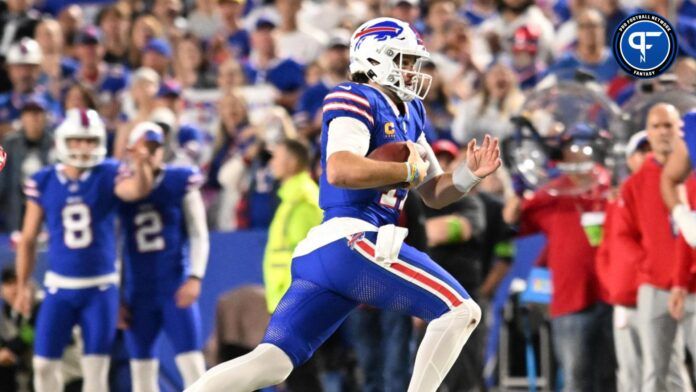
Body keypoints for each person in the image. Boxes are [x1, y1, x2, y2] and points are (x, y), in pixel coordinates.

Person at [186, 17, 501, 392]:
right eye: (402, 59)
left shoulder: (410, 111)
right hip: (352, 239)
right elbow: (338, 169)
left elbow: (434, 192)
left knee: (272, 362)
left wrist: (470, 175)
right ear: (375, 58)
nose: (411, 70)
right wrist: (403, 169)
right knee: (461, 310)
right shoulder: (355, 96)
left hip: (333, 253)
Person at [13, 108, 154, 392]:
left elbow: (136, 191)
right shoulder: (44, 180)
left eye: (90, 140)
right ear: (63, 140)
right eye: (77, 140)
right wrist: (23, 284)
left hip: (100, 288)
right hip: (59, 286)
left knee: (96, 372)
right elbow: (28, 238)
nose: (84, 147)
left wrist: (141, 166)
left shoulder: (108, 172)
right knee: (42, 365)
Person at [118, 122, 208, 391]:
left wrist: (195, 276)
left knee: (193, 367)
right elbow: (112, 245)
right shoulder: (121, 186)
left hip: (174, 285)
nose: (149, 154)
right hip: (137, 294)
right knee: (142, 375)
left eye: (154, 147)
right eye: (144, 147)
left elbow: (198, 232)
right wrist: (117, 295)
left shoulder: (179, 180)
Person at [619, 104, 691, 391]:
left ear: (680, 131)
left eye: (669, 126)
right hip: (655, 285)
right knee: (654, 370)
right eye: (657, 127)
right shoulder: (634, 184)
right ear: (648, 133)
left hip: (694, 283)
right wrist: (647, 263)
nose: (663, 132)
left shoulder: (693, 174)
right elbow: (623, 235)